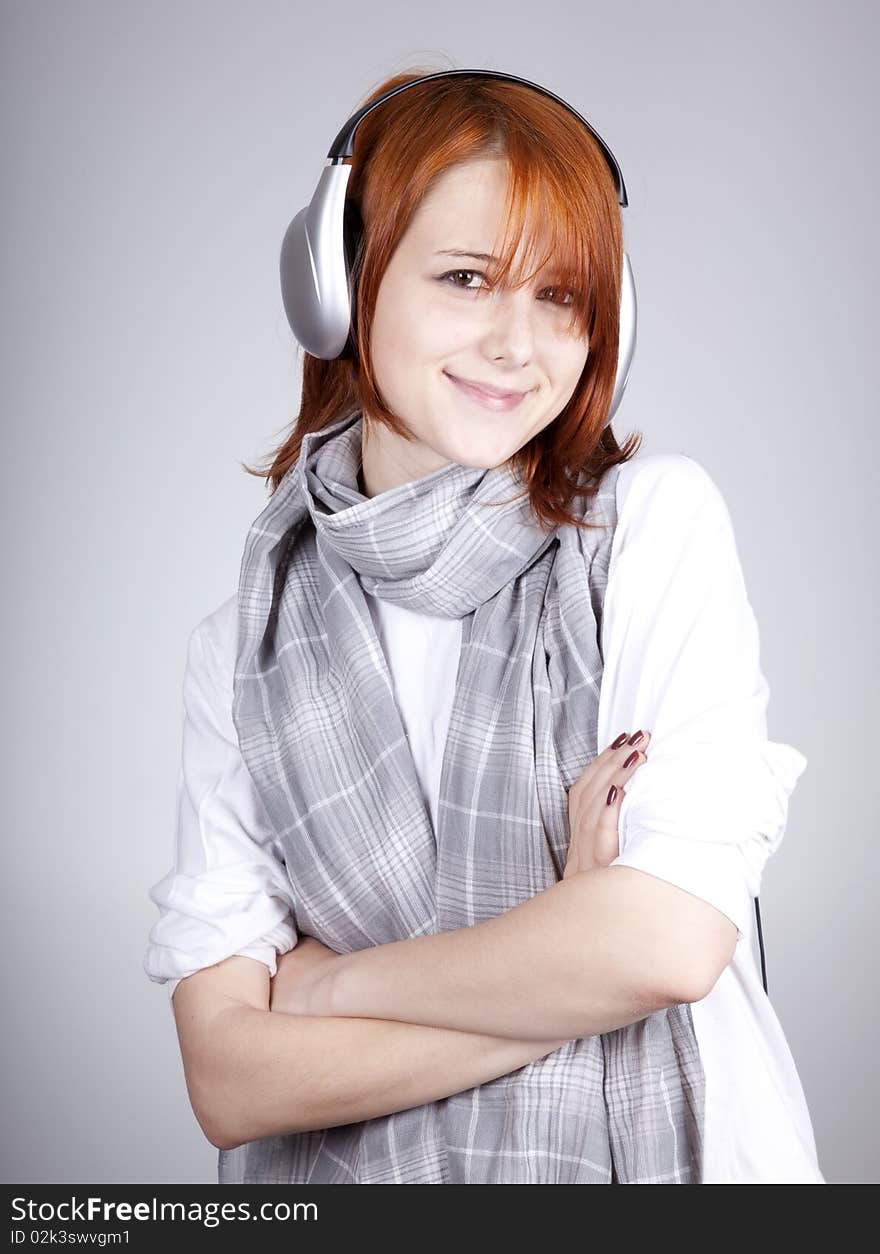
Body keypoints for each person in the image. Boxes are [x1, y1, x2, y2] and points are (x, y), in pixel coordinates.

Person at [144, 68, 825, 1184]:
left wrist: (328, 987)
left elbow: (664, 945)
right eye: (466, 278)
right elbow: (229, 1085)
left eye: (559, 296)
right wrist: (559, 942)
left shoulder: (646, 529)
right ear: (336, 285)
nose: (518, 344)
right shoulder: (245, 647)